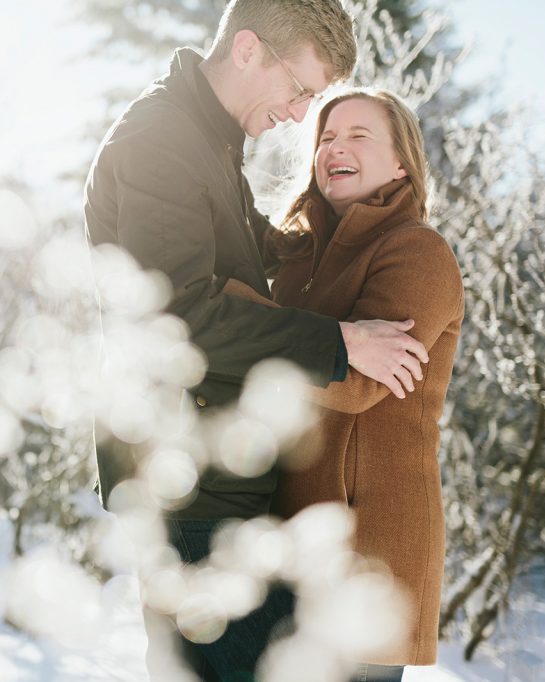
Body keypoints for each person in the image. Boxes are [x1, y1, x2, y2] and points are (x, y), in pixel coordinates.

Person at [83, 1, 431, 679]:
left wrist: (338, 229)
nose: (302, 117)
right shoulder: (163, 141)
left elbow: (244, 259)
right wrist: (341, 342)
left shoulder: (205, 137)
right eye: (301, 91)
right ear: (248, 51)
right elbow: (182, 315)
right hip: (187, 480)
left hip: (212, 475)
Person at [263, 89, 465, 681]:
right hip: (290, 533)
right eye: (326, 137)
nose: (335, 147)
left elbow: (353, 384)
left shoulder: (417, 252)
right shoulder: (298, 256)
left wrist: (232, 310)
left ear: (402, 162)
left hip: (371, 544)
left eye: (358, 136)